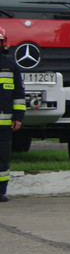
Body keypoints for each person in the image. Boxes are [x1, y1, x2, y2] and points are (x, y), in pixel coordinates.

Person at [0, 26, 26, 202]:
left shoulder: (10, 66)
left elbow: (18, 94)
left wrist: (18, 117)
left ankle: (1, 192)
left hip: (5, 126)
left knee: (3, 160)